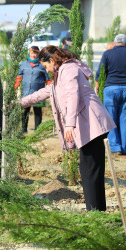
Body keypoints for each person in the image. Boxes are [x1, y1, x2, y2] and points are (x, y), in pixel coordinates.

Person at [22, 45, 116, 211]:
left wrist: (69, 124)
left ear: (52, 60)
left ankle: (95, 213)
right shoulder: (60, 73)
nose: (47, 70)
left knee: (90, 171)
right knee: (88, 170)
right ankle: (95, 211)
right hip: (87, 124)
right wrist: (20, 103)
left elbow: (73, 94)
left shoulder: (69, 69)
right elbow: (46, 92)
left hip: (92, 122)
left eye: (46, 66)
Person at [95, 34, 126, 156]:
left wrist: (97, 85)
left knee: (110, 118)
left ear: (114, 43)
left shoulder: (108, 54)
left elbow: (101, 72)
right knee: (124, 119)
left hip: (111, 88)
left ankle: (115, 147)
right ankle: (124, 147)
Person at [15, 46, 51, 133]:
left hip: (38, 94)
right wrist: (15, 88)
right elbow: (19, 77)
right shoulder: (23, 64)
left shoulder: (42, 66)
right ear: (29, 53)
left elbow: (48, 80)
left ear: (38, 54)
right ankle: (24, 130)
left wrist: (51, 92)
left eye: (35, 53)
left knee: (38, 112)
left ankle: (37, 131)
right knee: (24, 112)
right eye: (32, 53)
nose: (33, 55)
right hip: (26, 93)